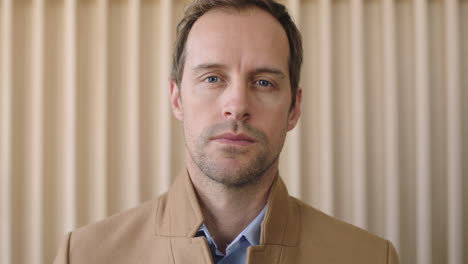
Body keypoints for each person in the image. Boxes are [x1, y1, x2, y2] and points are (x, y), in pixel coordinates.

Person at [54, 0, 399, 263]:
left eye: (263, 82)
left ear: (294, 108)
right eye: (213, 78)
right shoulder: (84, 255)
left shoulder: (369, 257)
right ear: (176, 99)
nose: (237, 104)